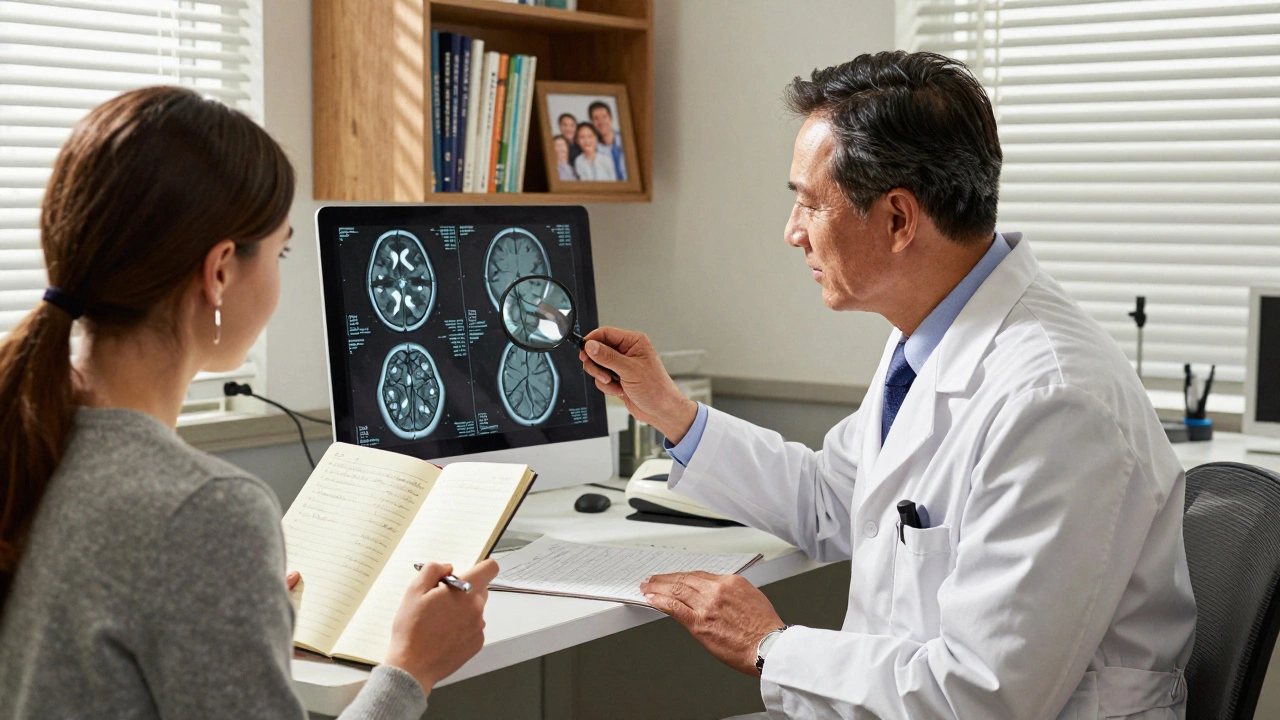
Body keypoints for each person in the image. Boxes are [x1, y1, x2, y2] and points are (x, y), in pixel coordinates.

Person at [578, 51, 1196, 720]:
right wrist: (669, 412)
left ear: (899, 220)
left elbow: (982, 697)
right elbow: (832, 498)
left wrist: (770, 646)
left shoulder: (1055, 400)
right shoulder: (928, 336)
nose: (791, 234)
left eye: (809, 204)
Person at [0, 86, 498, 719]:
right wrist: (409, 667)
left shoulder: (28, 442)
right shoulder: (202, 510)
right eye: (282, 249)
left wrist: (241, 620)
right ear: (220, 271)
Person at [588, 100, 627, 181]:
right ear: (592, 122)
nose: (601, 122)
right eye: (596, 118)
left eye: (604, 117)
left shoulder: (627, 140)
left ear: (611, 118)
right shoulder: (593, 149)